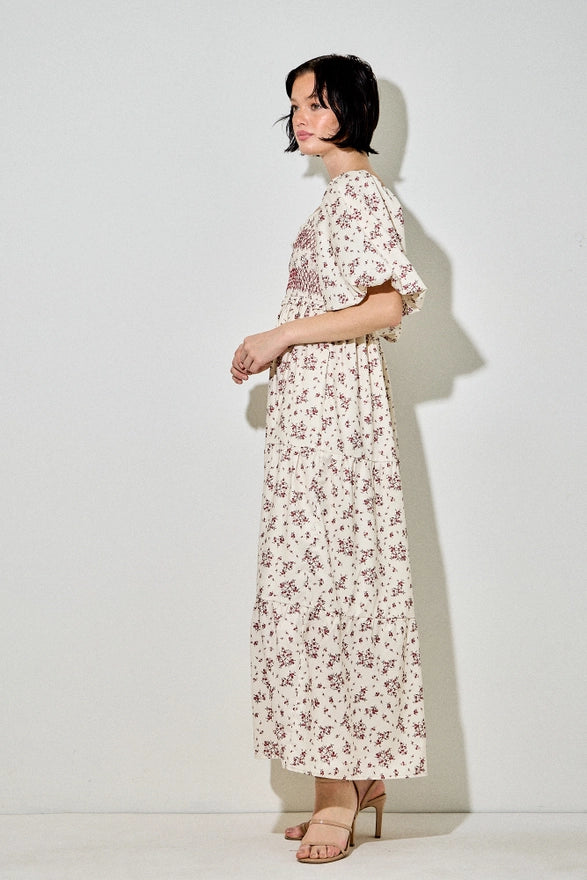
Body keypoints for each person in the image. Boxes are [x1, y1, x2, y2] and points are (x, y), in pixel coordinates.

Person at [231, 54, 427, 865]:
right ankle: (351, 776)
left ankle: (337, 794)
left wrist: (278, 335)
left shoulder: (360, 197)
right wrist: (278, 347)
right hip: (313, 415)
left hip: (337, 417)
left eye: (316, 102)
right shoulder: (335, 203)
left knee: (329, 585)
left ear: (352, 107)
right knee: (313, 587)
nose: (303, 117)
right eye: (295, 107)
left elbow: (389, 303)